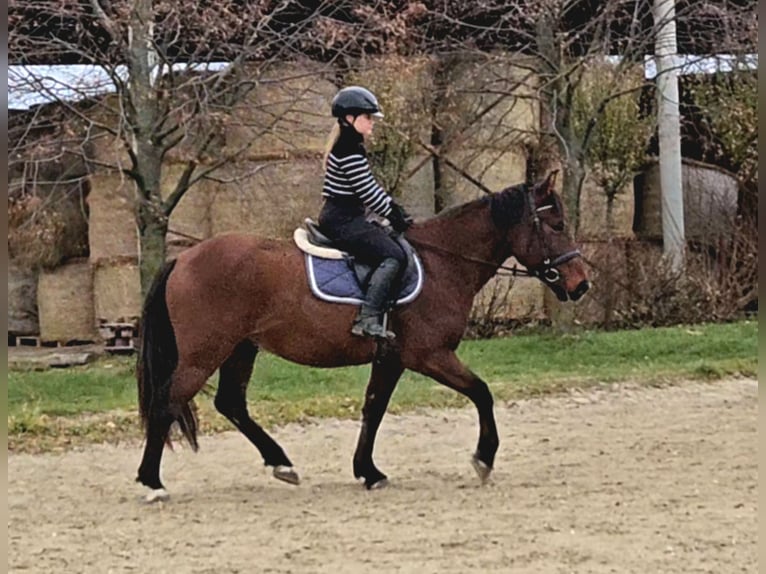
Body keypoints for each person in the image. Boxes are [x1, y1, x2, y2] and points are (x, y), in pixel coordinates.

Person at [318, 86, 413, 340]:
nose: (372, 122)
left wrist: (394, 210)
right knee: (393, 255)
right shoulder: (349, 149)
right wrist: (394, 213)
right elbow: (368, 191)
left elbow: (369, 189)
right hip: (343, 221)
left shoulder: (349, 145)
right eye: (367, 117)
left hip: (346, 217)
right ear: (350, 119)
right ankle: (367, 318)